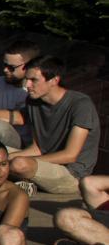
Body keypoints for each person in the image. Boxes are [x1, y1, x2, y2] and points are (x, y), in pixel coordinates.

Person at [10, 53, 98, 199]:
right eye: (26, 79)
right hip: (43, 163)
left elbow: (70, 155)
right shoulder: (33, 101)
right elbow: (36, 147)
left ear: (54, 80)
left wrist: (15, 160)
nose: (27, 85)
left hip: (72, 175)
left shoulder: (81, 104)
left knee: (18, 164)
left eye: (33, 80)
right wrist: (6, 157)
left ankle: (21, 183)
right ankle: (24, 183)